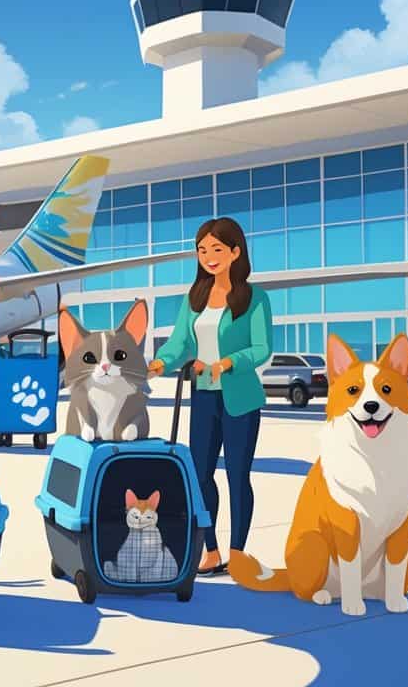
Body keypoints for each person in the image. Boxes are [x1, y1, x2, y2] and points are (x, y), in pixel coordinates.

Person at [148, 217, 272, 576]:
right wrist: (161, 361)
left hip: (240, 399)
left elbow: (263, 348)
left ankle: (239, 553)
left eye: (217, 249)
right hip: (203, 397)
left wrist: (228, 362)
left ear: (235, 252)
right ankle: (212, 551)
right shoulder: (194, 298)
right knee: (200, 475)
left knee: (237, 475)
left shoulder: (254, 298)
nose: (209, 257)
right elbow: (180, 342)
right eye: (202, 250)